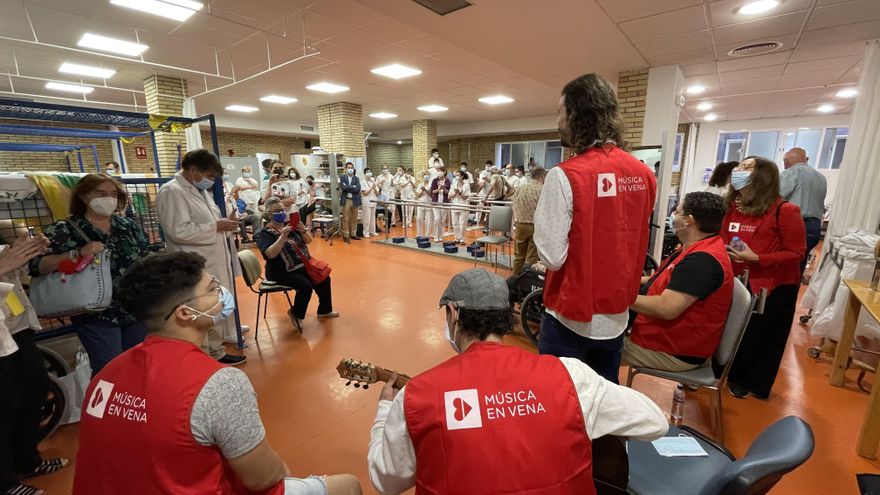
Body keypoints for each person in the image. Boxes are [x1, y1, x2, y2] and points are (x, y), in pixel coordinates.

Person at [72, 252, 360, 495]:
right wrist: (279, 469)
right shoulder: (217, 382)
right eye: (211, 289)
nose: (222, 293)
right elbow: (262, 478)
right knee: (348, 485)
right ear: (184, 313)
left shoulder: (107, 373)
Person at [367, 269, 668, 494]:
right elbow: (655, 422)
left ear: (453, 314)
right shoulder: (570, 375)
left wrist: (384, 412)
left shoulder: (417, 394)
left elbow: (386, 481)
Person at [534, 73, 657, 384]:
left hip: (570, 318)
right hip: (617, 315)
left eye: (560, 111)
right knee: (604, 404)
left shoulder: (565, 175)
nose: (558, 120)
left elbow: (552, 258)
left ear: (576, 114)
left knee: (561, 402)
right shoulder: (643, 174)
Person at [32, 173, 151, 374]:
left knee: (138, 364)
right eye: (101, 193)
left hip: (135, 308)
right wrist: (76, 253)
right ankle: (104, 405)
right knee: (110, 368)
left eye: (113, 193)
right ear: (85, 196)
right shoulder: (64, 229)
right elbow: (38, 266)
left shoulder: (127, 226)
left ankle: (134, 404)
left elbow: (145, 256)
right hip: (95, 312)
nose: (109, 198)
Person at [721, 156, 805, 399]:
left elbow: (796, 252)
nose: (738, 170)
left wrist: (757, 258)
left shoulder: (785, 211)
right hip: (738, 278)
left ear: (763, 177)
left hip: (773, 286)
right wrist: (735, 252)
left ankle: (745, 380)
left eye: (747, 168)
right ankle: (721, 370)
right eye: (739, 166)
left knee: (759, 335)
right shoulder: (732, 207)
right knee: (729, 328)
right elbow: (731, 235)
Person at [625, 192, 734, 372]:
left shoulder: (702, 262)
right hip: (665, 338)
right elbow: (659, 279)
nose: (673, 216)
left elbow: (666, 308)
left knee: (592, 349)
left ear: (688, 220)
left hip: (673, 351)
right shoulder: (697, 247)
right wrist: (621, 282)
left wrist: (617, 298)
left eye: (677, 211)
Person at [156, 149, 245, 364]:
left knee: (213, 308)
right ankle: (205, 358)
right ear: (194, 170)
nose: (211, 181)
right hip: (193, 263)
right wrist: (216, 226)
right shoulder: (172, 192)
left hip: (212, 260)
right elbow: (178, 230)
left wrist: (226, 223)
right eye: (210, 176)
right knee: (199, 310)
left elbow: (207, 223)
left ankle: (216, 351)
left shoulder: (199, 191)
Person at [2, 234, 70, 495]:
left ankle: (27, 460)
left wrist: (23, 256)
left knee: (34, 390)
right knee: (4, 405)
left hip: (16, 325)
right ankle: (5, 482)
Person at [257, 197, 338, 329]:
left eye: (282, 210)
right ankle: (296, 313)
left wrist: (303, 230)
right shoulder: (265, 233)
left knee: (323, 278)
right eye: (276, 211)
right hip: (279, 271)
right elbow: (270, 254)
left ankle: (324, 310)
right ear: (268, 214)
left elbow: (308, 241)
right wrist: (282, 238)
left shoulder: (290, 226)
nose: (281, 213)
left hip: (300, 266)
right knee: (305, 286)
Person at [779, 147, 827, 273]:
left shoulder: (790, 173)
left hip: (794, 225)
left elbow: (775, 196)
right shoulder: (821, 177)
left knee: (785, 268)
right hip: (814, 227)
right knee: (799, 265)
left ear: (787, 162)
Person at [511, 166, 546, 275]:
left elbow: (514, 205)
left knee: (518, 255)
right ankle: (527, 280)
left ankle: (515, 278)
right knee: (532, 256)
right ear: (542, 176)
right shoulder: (543, 189)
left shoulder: (521, 188)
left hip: (520, 224)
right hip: (535, 226)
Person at [234, 165, 263, 240]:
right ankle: (244, 237)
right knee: (242, 217)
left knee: (256, 217)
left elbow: (256, 186)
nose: (246, 173)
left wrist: (249, 180)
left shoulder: (252, 179)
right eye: (244, 172)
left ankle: (256, 235)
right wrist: (250, 187)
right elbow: (239, 187)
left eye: (247, 172)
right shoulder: (239, 179)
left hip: (253, 201)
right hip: (244, 202)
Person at [338, 162, 362, 243]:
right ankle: (346, 235)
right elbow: (343, 187)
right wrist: (352, 186)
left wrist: (349, 187)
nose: (350, 169)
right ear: (346, 169)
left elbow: (358, 189)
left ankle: (353, 234)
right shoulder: (343, 177)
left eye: (351, 167)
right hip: (346, 200)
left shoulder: (356, 178)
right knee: (345, 218)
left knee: (354, 218)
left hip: (355, 200)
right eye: (348, 167)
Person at [430, 167, 451, 243]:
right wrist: (439, 189)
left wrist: (444, 188)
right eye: (439, 171)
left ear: (445, 172)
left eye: (441, 171)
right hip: (435, 202)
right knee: (437, 219)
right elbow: (432, 191)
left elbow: (448, 192)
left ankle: (441, 236)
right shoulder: (435, 180)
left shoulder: (447, 181)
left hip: (444, 202)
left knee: (442, 220)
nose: (440, 172)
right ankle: (436, 236)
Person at [449, 170, 470, 245]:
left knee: (462, 224)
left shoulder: (466, 185)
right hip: (454, 205)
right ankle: (456, 238)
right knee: (455, 223)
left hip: (463, 206)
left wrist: (460, 193)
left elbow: (465, 197)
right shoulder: (453, 185)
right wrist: (455, 193)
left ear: (462, 176)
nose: (457, 177)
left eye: (458, 175)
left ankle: (462, 239)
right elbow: (449, 196)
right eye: (456, 175)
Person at [361, 169, 380, 238]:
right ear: (365, 174)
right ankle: (366, 232)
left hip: (373, 201)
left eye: (370, 171)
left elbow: (378, 193)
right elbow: (365, 193)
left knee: (372, 218)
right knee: (367, 218)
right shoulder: (363, 182)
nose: (369, 173)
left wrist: (374, 187)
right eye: (367, 172)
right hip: (366, 202)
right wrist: (372, 187)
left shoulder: (373, 182)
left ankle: (373, 231)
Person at [415, 172, 432, 239]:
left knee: (428, 220)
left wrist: (425, 190)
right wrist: (422, 191)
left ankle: (427, 235)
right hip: (420, 203)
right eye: (425, 174)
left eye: (427, 174)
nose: (426, 176)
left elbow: (431, 195)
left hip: (428, 203)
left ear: (429, 176)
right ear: (423, 176)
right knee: (419, 219)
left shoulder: (431, 184)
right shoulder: (420, 185)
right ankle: (419, 234)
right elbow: (417, 195)